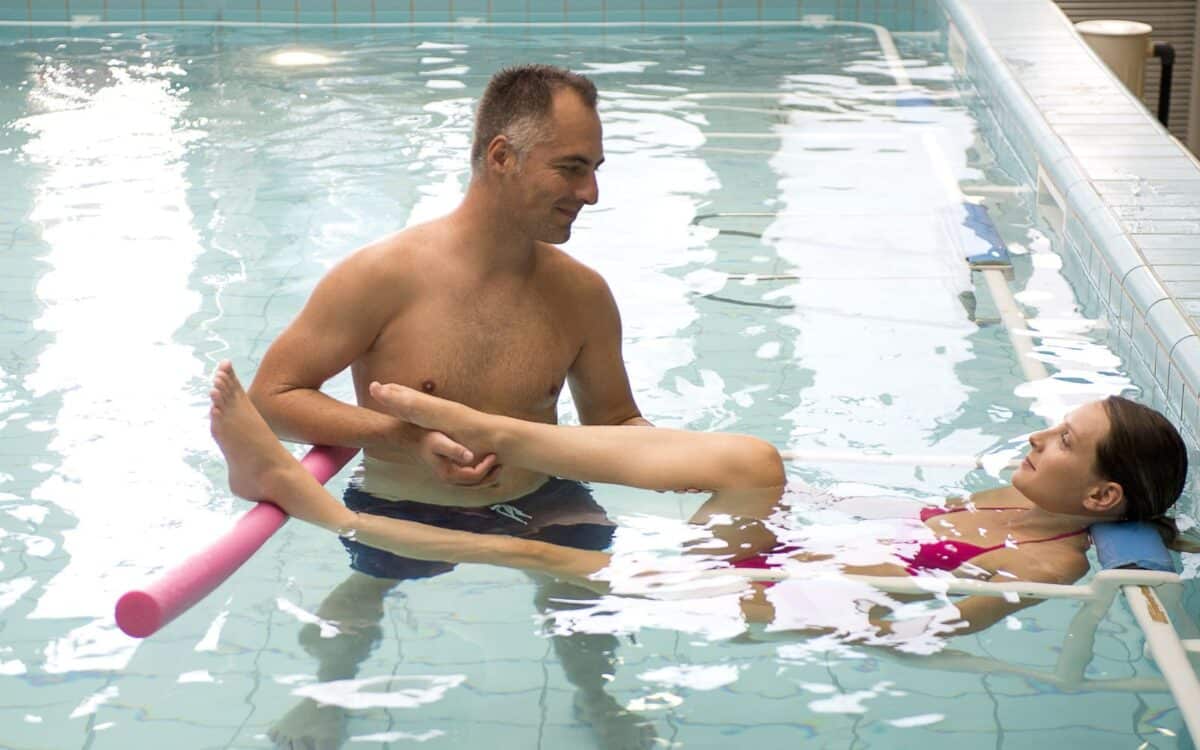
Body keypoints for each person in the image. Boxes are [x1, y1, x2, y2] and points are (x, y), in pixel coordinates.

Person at [211, 361, 1188, 649]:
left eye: (1062, 442)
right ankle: (495, 431)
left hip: (781, 598)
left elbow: (931, 627)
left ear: (1101, 495)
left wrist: (822, 580)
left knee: (552, 559)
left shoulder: (1049, 560)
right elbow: (905, 525)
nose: (1037, 438)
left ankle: (309, 504)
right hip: (787, 557)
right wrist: (805, 519)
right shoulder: (1009, 499)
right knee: (751, 460)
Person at [248, 65, 653, 748]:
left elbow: (616, 425)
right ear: (502, 156)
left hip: (539, 499)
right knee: (361, 599)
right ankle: (323, 699)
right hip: (404, 501)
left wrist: (707, 467)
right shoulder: (383, 277)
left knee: (588, 605)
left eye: (594, 170)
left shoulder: (583, 295)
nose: (590, 192)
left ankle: (598, 700)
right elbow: (270, 399)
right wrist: (404, 437)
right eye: (572, 168)